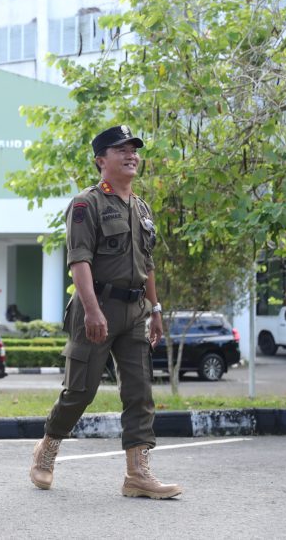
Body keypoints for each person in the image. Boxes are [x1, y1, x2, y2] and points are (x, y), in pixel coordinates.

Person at [29, 125, 181, 500]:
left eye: (134, 149)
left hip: (135, 311)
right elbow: (79, 262)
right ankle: (47, 447)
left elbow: (148, 265)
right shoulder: (87, 204)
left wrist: (155, 309)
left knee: (139, 391)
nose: (131, 155)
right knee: (81, 391)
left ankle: (137, 474)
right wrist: (93, 311)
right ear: (101, 160)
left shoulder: (141, 208)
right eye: (120, 150)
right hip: (96, 308)